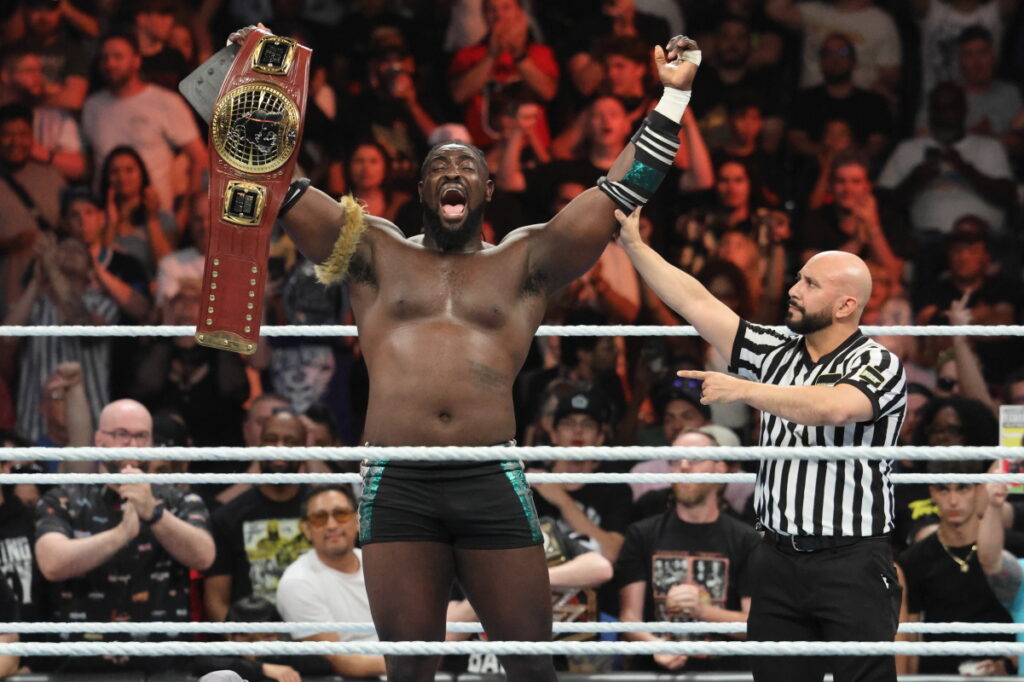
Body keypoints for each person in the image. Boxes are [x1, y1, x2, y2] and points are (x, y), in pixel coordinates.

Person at [227, 22, 702, 682]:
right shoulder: (373, 253)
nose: (453, 172)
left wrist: (673, 98)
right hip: (398, 479)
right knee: (411, 672)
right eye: (438, 168)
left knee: (533, 668)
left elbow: (622, 191)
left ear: (486, 192)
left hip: (488, 475)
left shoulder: (527, 259)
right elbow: (278, 181)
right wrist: (249, 81)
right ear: (423, 191)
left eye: (467, 168)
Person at [617, 201, 907, 680]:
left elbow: (833, 407)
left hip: (851, 560)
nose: (792, 290)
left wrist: (744, 389)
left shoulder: (877, 363)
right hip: (775, 558)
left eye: (809, 284)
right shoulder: (775, 350)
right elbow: (696, 301)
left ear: (845, 305)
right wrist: (634, 245)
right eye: (797, 279)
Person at [34, 399, 214, 674]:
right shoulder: (63, 498)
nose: (131, 444)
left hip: (164, 665)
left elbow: (204, 556)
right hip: (81, 666)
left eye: (141, 436)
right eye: (121, 434)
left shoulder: (180, 499)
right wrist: (121, 534)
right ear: (99, 440)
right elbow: (52, 563)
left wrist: (154, 513)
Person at [617, 428, 759, 673]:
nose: (683, 466)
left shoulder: (746, 539)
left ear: (720, 468)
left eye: (694, 459)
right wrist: (658, 646)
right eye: (675, 460)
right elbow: (629, 618)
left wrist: (704, 611)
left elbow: (756, 626)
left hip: (726, 675)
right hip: (655, 673)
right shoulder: (641, 534)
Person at [898, 460, 1024, 676]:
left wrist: (1008, 664)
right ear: (931, 492)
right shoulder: (914, 559)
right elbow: (910, 636)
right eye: (943, 489)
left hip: (1001, 675)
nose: (953, 501)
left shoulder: (1014, 547)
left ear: (977, 490)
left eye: (962, 488)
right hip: (937, 676)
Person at [204, 410, 312, 621]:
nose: (279, 448)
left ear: (305, 449)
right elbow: (216, 600)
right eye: (271, 440)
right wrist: (243, 642)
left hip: (317, 636)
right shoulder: (227, 517)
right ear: (259, 445)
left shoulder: (322, 510)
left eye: (290, 442)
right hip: (253, 638)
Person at [276, 485, 387, 678]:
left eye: (341, 514)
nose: (331, 525)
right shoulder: (296, 583)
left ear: (357, 520)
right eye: (320, 518)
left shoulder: (382, 563)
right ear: (307, 529)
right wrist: (416, 660)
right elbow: (341, 662)